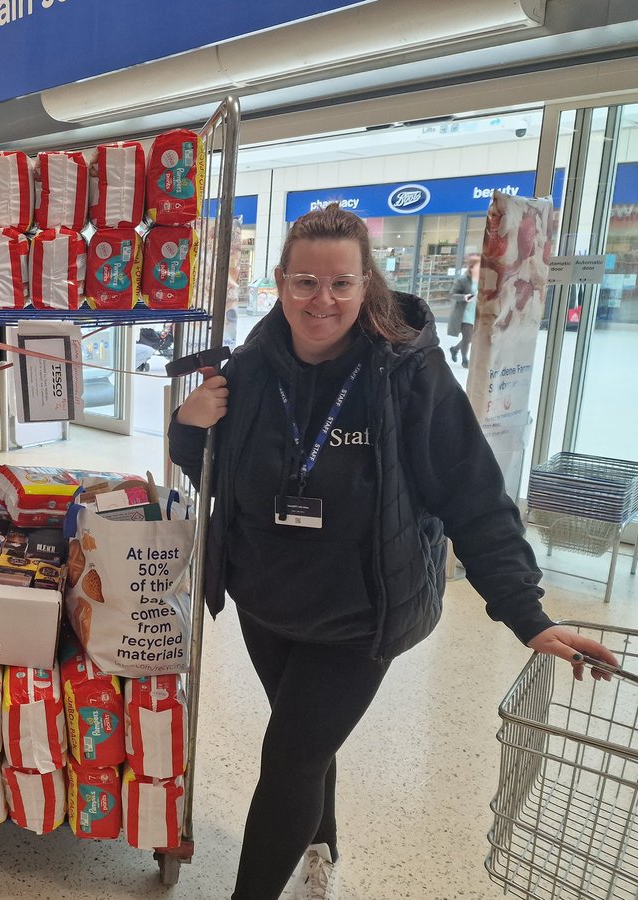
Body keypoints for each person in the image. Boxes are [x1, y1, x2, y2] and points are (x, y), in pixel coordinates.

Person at [168, 204, 618, 900]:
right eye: (305, 282)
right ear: (281, 283)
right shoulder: (250, 369)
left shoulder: (404, 373)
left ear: (365, 284)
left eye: (341, 283)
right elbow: (215, 476)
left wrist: (527, 613)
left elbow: (471, 492)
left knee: (288, 758)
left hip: (362, 612)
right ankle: (324, 843)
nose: (323, 300)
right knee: (307, 741)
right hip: (269, 602)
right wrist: (186, 428)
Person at [448, 253, 480, 368]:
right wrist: (464, 297)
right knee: (467, 336)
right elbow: (452, 294)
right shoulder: (463, 281)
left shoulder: (483, 281)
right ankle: (465, 359)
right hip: (465, 314)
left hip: (477, 313)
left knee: (470, 337)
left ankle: (455, 349)